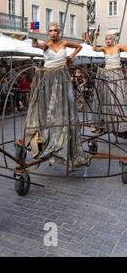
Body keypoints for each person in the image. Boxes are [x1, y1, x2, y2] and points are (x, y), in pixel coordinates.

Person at [27, 22, 91, 167]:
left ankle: (64, 138)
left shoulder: (65, 42)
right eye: (50, 30)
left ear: (59, 32)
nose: (53, 33)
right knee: (48, 108)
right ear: (48, 32)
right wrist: (35, 41)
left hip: (62, 78)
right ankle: (47, 137)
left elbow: (79, 46)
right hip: (48, 79)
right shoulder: (46, 44)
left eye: (55, 30)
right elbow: (38, 45)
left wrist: (71, 57)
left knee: (63, 108)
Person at [92, 32, 127, 135]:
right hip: (107, 74)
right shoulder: (104, 49)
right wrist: (95, 37)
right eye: (106, 39)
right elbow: (94, 48)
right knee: (107, 98)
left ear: (113, 39)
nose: (108, 40)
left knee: (118, 97)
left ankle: (121, 123)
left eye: (110, 39)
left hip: (116, 73)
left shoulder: (118, 47)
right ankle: (107, 122)